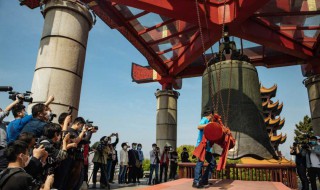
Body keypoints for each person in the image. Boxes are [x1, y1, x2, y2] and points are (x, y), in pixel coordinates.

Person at [193, 108, 216, 188]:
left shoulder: (209, 122)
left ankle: (204, 180)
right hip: (201, 145)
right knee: (200, 163)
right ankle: (196, 182)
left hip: (207, 147)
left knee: (213, 163)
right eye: (213, 115)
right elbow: (199, 126)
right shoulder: (204, 119)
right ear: (211, 114)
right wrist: (209, 125)